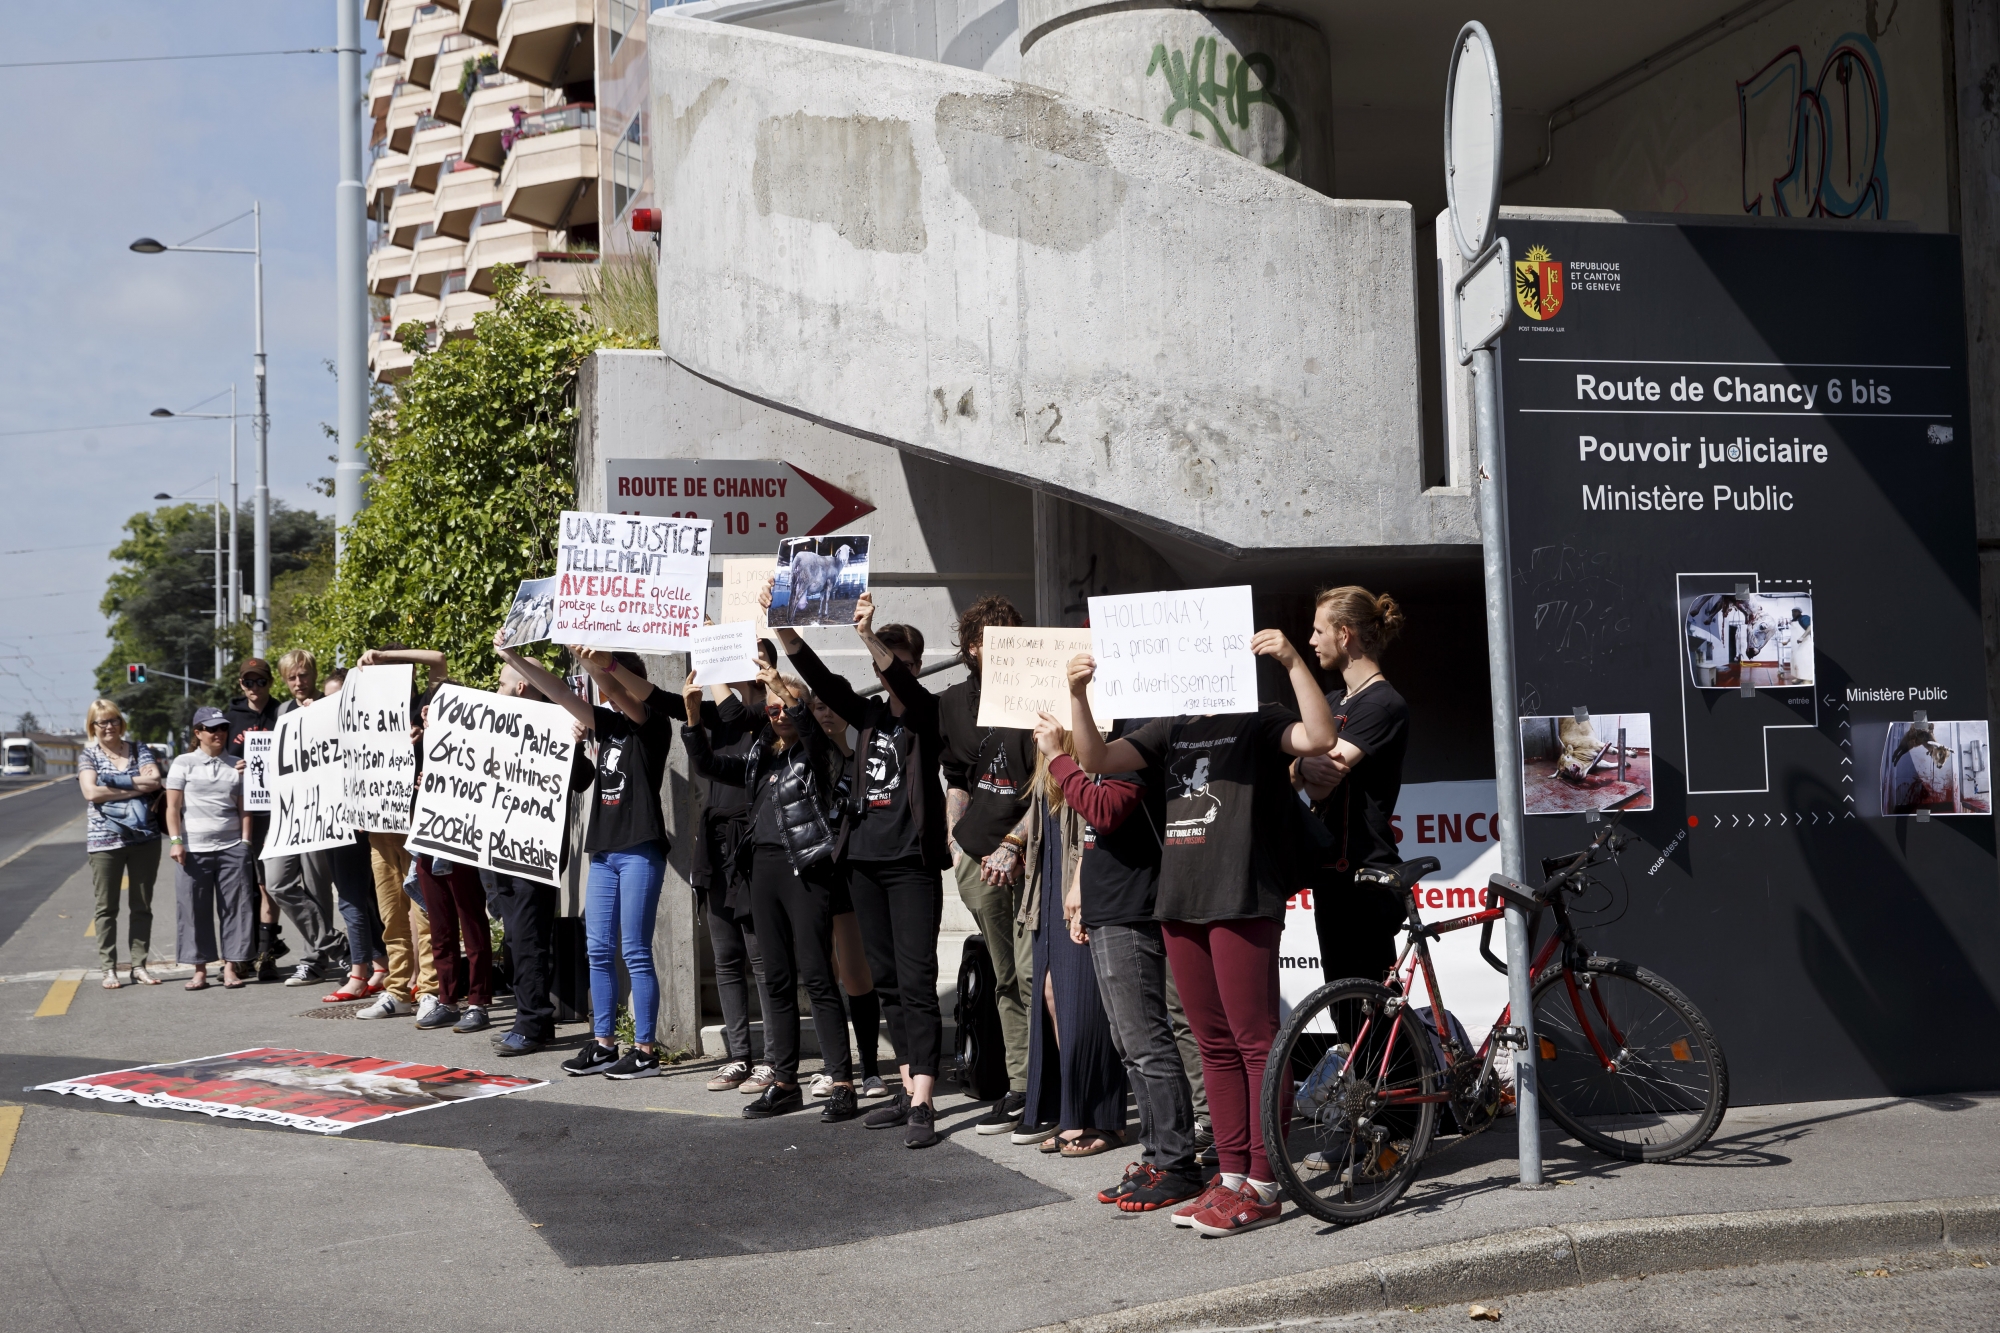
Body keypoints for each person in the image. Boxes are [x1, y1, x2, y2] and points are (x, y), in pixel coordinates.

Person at [1067, 627, 1337, 1237]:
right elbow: (1098, 762)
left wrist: (1293, 660)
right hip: (1180, 900)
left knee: (1254, 1042)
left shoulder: (1259, 719)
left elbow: (1320, 736)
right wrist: (1079, 697)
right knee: (1214, 1045)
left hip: (1242, 895)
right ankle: (1233, 1174)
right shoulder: (1171, 724)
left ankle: (1266, 1181)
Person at [764, 580, 951, 1149]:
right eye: (888, 655)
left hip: (910, 864)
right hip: (864, 860)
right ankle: (902, 1085)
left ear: (915, 665)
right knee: (887, 980)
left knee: (917, 980)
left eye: (902, 658)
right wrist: (787, 632)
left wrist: (868, 634)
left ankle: (924, 1100)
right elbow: (822, 685)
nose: (893, 665)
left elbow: (900, 686)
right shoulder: (867, 715)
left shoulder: (926, 713)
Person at [1036, 709, 1204, 1211]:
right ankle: (1158, 1156)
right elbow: (1095, 831)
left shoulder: (1140, 733)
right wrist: (1083, 888)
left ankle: (1177, 1163)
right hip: (1111, 903)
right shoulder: (1114, 734)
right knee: (1131, 1044)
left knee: (1148, 1042)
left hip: (1135, 906)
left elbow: (1105, 811)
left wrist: (1059, 758)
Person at [494, 638, 679, 1080]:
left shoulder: (651, 724)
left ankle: (646, 1050)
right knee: (598, 950)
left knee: (634, 951)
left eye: (611, 681)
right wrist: (514, 659)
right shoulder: (608, 726)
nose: (603, 692)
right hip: (604, 852)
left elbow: (616, 692)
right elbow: (559, 693)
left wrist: (592, 661)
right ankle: (602, 1045)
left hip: (639, 851)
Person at [681, 666, 857, 1121]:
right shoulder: (764, 752)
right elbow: (710, 765)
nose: (778, 714)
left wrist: (782, 687)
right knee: (775, 980)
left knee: (816, 976)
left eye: (786, 706)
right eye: (772, 708)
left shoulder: (820, 752)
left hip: (805, 870)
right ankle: (784, 1082)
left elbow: (810, 733)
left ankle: (841, 1081)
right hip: (761, 869)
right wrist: (693, 719)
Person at [936, 594, 1039, 1134]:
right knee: (1004, 975)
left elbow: (1050, 788)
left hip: (1032, 855)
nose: (1002, 649)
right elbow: (955, 775)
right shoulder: (954, 701)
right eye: (991, 639)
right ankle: (1020, 1086)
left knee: (1034, 974)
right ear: (972, 646)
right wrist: (958, 837)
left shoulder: (1039, 693)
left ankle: (1050, 1088)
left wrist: (1017, 843)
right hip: (978, 857)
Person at [473, 655, 596, 1055]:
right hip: (499, 847)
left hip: (532, 850)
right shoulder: (498, 726)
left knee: (528, 936)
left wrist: (571, 746)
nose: (496, 690)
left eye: (501, 683)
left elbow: (582, 780)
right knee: (515, 936)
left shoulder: (554, 726)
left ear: (521, 687)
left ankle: (532, 1022)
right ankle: (533, 1019)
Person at [1020, 719, 1128, 1159]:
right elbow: (1040, 813)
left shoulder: (1094, 747)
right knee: (1051, 993)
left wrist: (1082, 884)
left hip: (1082, 881)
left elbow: (1095, 824)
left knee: (1084, 1002)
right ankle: (1072, 1107)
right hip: (1050, 882)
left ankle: (1100, 1117)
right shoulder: (1048, 752)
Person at [1296, 588, 1409, 988]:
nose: (1311, 641)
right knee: (1342, 1005)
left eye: (1317, 630)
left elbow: (1326, 776)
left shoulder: (1383, 703)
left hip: (1365, 876)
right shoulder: (1330, 700)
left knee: (1370, 1009)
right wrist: (1300, 764)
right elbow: (1300, 771)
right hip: (1330, 875)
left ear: (1344, 634)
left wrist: (1302, 765)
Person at [686, 652, 779, 1093]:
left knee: (762, 959)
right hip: (717, 847)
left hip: (754, 848)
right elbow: (705, 760)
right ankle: (739, 1056)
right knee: (726, 957)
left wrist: (712, 652)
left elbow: (737, 712)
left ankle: (774, 1059)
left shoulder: (769, 716)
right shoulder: (719, 718)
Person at [349, 646, 449, 1023]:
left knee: (424, 912)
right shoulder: (363, 717)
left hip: (417, 824)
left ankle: (430, 990)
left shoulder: (426, 708)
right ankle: (397, 990)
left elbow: (438, 660)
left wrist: (385, 656)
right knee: (391, 913)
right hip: (380, 825)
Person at [805, 690, 889, 1102]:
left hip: (849, 870)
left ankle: (870, 1068)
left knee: (856, 974)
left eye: (834, 705)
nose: (827, 713)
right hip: (809, 872)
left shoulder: (862, 759)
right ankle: (834, 1067)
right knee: (821, 973)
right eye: (820, 705)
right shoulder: (805, 758)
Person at [263, 649, 349, 988]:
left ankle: (313, 960)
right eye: (292, 677)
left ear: (313, 675)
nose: (299, 682)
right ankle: (334, 944)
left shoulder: (330, 703)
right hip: (288, 813)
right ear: (285, 681)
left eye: (304, 675)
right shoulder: (282, 712)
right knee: (278, 882)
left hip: (321, 810)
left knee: (317, 888)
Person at [165, 706, 256, 991]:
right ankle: (200, 969)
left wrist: (245, 843)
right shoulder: (183, 763)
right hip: (194, 849)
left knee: (237, 909)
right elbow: (172, 807)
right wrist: (176, 841)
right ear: (198, 733)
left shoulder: (237, 765)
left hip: (232, 847)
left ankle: (230, 967)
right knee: (193, 910)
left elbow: (245, 809)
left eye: (223, 728)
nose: (219, 733)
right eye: (211, 729)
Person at [76, 700, 164, 989]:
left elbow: (155, 782)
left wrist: (112, 786)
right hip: (105, 841)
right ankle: (108, 968)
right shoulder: (88, 756)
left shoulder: (139, 749)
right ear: (93, 727)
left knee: (142, 905)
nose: (109, 726)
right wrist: (133, 785)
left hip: (145, 838)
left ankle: (139, 965)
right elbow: (90, 792)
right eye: (102, 722)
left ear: (121, 722)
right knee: (106, 908)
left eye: (113, 720)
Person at [314, 669, 390, 1004]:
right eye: (329, 698)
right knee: (360, 897)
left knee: (351, 898)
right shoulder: (320, 731)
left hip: (354, 824)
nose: (335, 705)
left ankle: (358, 972)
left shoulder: (363, 732)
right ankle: (379, 966)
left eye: (341, 697)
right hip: (329, 821)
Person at [222, 658, 290, 980]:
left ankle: (266, 951)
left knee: (267, 884)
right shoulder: (229, 718)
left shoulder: (282, 713)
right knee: (242, 884)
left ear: (269, 683)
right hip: (238, 810)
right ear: (240, 684)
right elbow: (216, 757)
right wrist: (231, 766)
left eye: (260, 682)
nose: (254, 688)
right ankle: (242, 953)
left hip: (274, 810)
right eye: (248, 682)